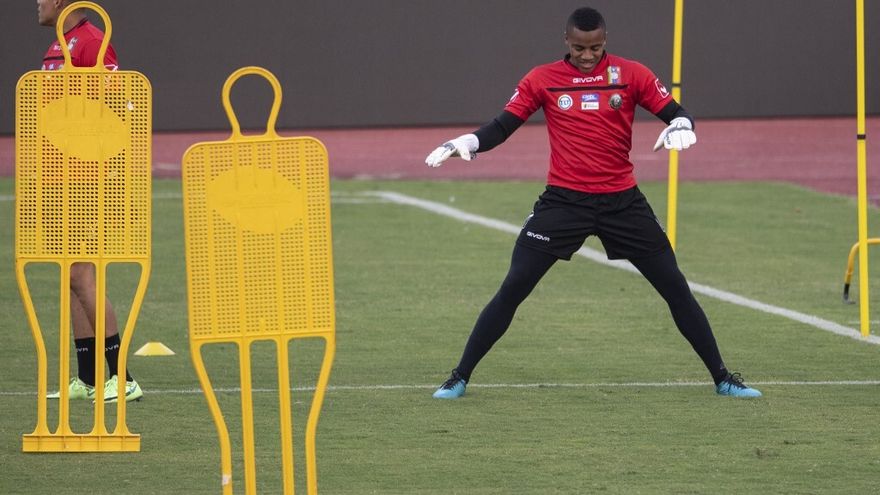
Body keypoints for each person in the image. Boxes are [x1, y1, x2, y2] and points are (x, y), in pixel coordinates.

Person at [425, 6, 761, 399]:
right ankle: (459, 377)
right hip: (563, 203)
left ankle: (723, 379)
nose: (588, 56)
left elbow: (677, 112)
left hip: (623, 203)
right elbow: (502, 127)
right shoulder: (542, 79)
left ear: (605, 42)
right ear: (566, 41)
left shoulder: (632, 74)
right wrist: (466, 142)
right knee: (514, 287)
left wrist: (682, 125)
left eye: (596, 48)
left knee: (675, 287)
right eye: (580, 48)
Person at [38, 0, 143, 403]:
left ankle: (123, 377)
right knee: (72, 277)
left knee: (83, 275)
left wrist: (110, 172)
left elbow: (116, 109)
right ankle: (88, 379)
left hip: (85, 179)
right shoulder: (58, 44)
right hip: (59, 177)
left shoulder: (93, 42)